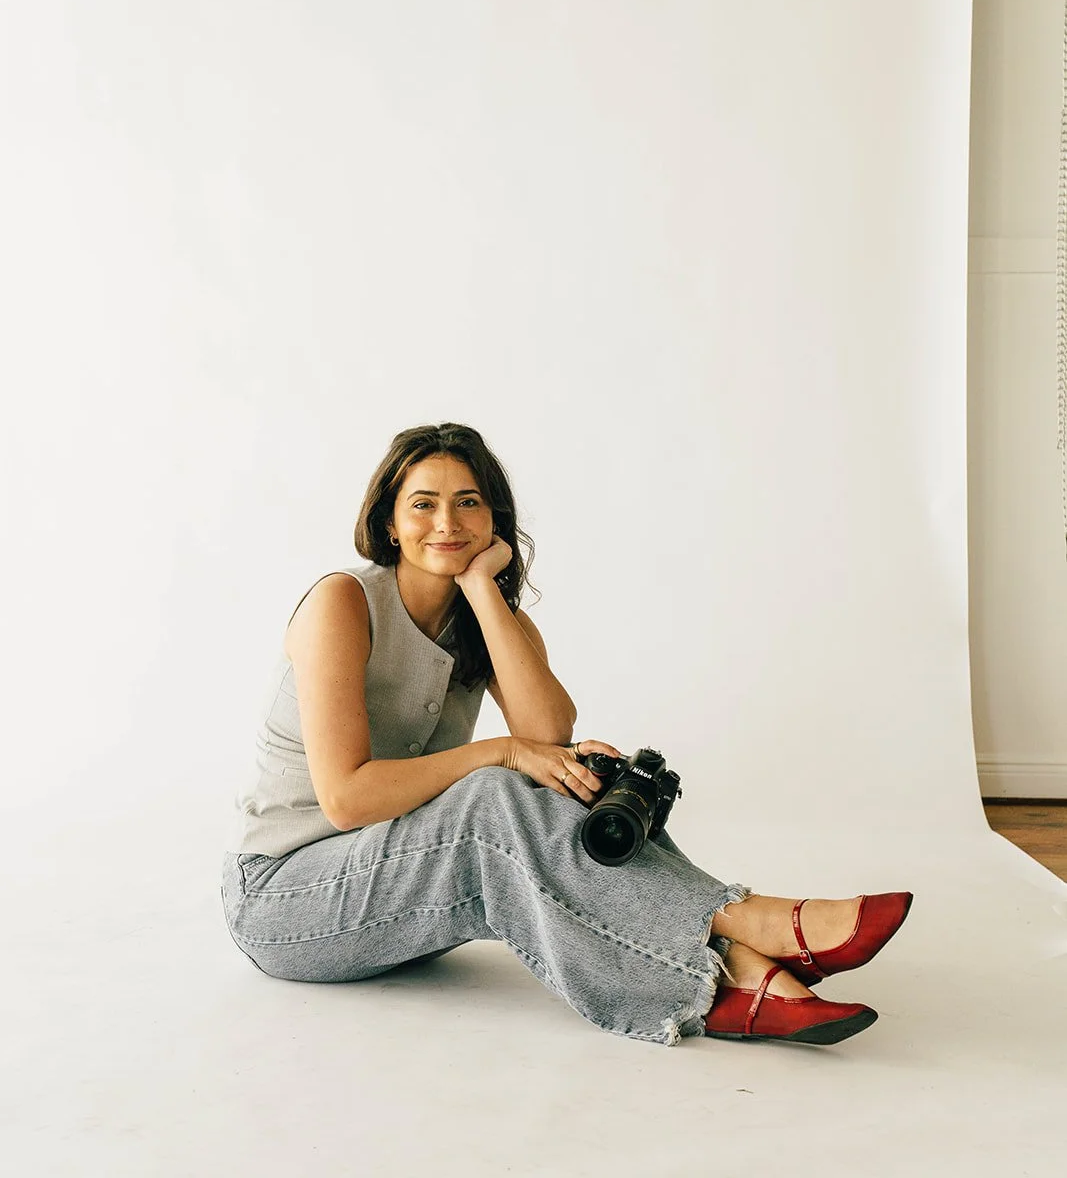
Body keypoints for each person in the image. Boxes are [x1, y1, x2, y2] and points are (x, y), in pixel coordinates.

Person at [221, 421, 912, 1048]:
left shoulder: (485, 614)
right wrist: (501, 752)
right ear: (390, 523)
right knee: (494, 788)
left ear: (493, 519)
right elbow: (345, 800)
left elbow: (547, 729)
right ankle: (750, 923)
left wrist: (482, 592)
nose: (447, 521)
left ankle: (738, 982)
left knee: (572, 776)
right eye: (423, 503)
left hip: (395, 894)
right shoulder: (341, 603)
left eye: (468, 502)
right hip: (286, 901)